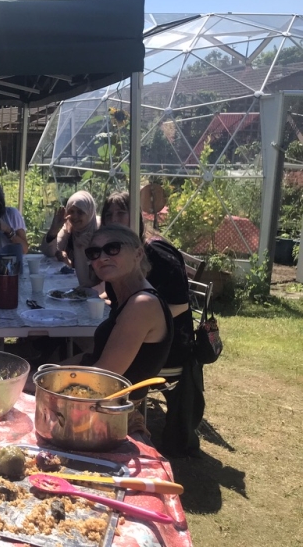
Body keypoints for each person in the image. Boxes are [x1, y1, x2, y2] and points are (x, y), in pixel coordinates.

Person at [102, 192, 204, 457]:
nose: (115, 219)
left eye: (121, 213)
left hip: (169, 349)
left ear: (135, 215)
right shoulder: (116, 253)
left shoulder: (154, 250)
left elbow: (181, 303)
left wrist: (137, 321)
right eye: (109, 214)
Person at [77, 224, 173, 436]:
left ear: (138, 254)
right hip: (102, 401)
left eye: (112, 248)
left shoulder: (142, 304)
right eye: (94, 253)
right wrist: (41, 372)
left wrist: (42, 383)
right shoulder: (126, 297)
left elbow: (105, 376)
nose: (101, 257)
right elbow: (93, 357)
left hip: (108, 412)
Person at [41, 190, 100, 288]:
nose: (75, 216)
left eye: (80, 212)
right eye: (71, 211)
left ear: (89, 212)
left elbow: (94, 276)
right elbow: (50, 253)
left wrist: (71, 263)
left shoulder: (99, 231)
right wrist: (54, 229)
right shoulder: (69, 227)